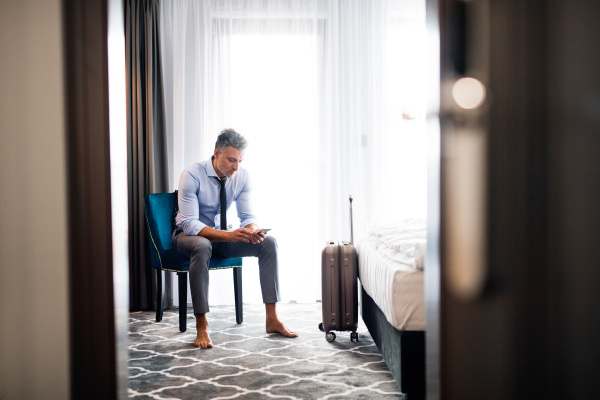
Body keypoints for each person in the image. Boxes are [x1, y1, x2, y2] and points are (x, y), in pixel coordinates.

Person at [172, 128, 298, 348]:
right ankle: (202, 325)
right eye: (231, 160)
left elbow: (248, 216)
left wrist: (252, 231)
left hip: (224, 236)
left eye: (240, 160)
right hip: (188, 236)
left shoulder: (242, 176)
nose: (236, 167)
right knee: (202, 246)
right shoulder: (191, 175)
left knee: (269, 243)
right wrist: (228, 235)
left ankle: (272, 318)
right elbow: (190, 224)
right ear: (216, 153)